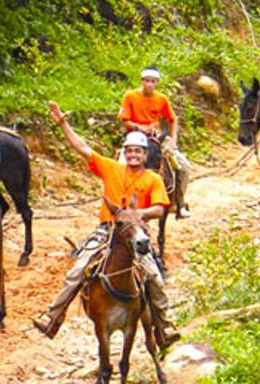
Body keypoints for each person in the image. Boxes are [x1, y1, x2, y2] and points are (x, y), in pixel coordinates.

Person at [32, 101, 180, 349]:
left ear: (145, 155)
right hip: (107, 231)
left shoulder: (153, 179)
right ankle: (52, 317)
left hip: (135, 234)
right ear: (124, 152)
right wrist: (62, 124)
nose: (133, 155)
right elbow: (82, 148)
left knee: (154, 276)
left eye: (138, 152)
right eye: (129, 151)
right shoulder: (111, 168)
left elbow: (159, 208)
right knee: (77, 270)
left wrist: (134, 215)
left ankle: (163, 327)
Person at [117, 67, 191, 217]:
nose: (150, 84)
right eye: (147, 81)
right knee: (120, 166)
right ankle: (117, 200)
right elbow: (124, 120)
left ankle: (178, 202)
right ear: (142, 81)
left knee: (183, 166)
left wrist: (173, 139)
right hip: (134, 135)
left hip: (156, 136)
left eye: (153, 81)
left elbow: (172, 119)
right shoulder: (130, 96)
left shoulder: (161, 99)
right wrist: (141, 127)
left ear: (157, 82)